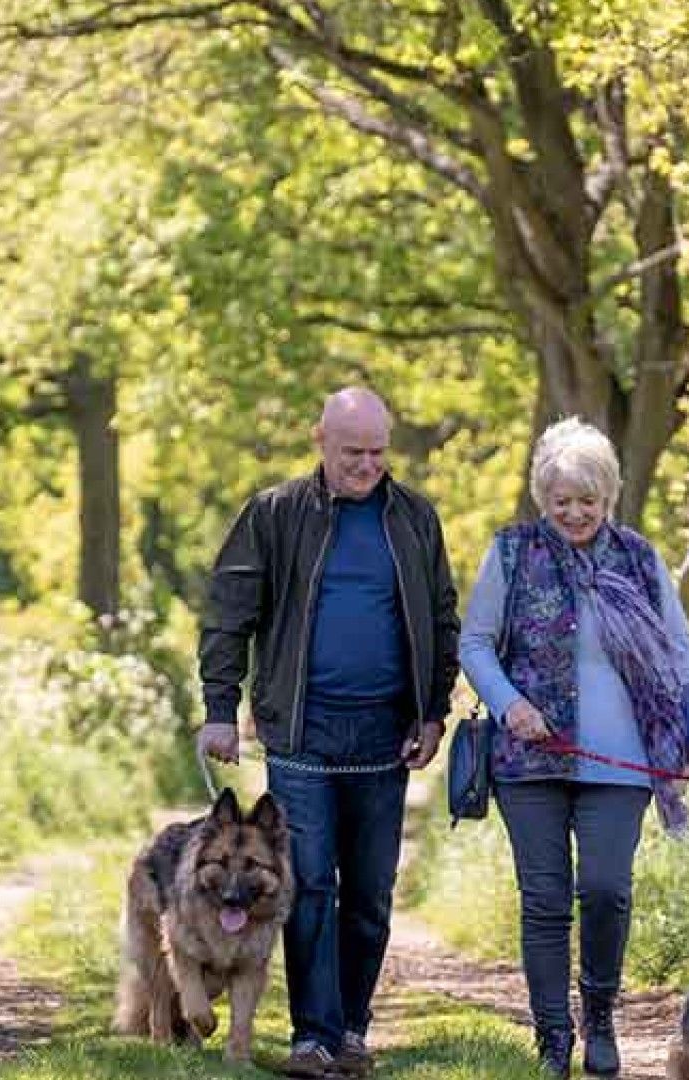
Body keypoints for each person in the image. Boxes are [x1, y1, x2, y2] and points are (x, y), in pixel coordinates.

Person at [198, 387, 461, 1079]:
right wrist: (221, 707)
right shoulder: (276, 514)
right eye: (354, 453)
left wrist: (433, 711)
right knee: (311, 885)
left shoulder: (413, 519)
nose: (368, 466)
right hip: (303, 735)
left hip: (385, 737)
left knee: (371, 893)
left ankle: (351, 1028)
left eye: (378, 452)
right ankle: (312, 1036)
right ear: (321, 440)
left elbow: (441, 617)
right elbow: (229, 611)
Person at [459, 417, 689, 1079]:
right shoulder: (513, 552)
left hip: (623, 763)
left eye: (588, 500)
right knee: (544, 899)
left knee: (606, 889)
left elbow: (684, 660)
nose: (575, 513)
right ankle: (552, 1038)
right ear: (542, 497)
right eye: (561, 500)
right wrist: (508, 703)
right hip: (531, 763)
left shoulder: (638, 558)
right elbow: (474, 644)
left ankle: (599, 1014)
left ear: (608, 498)